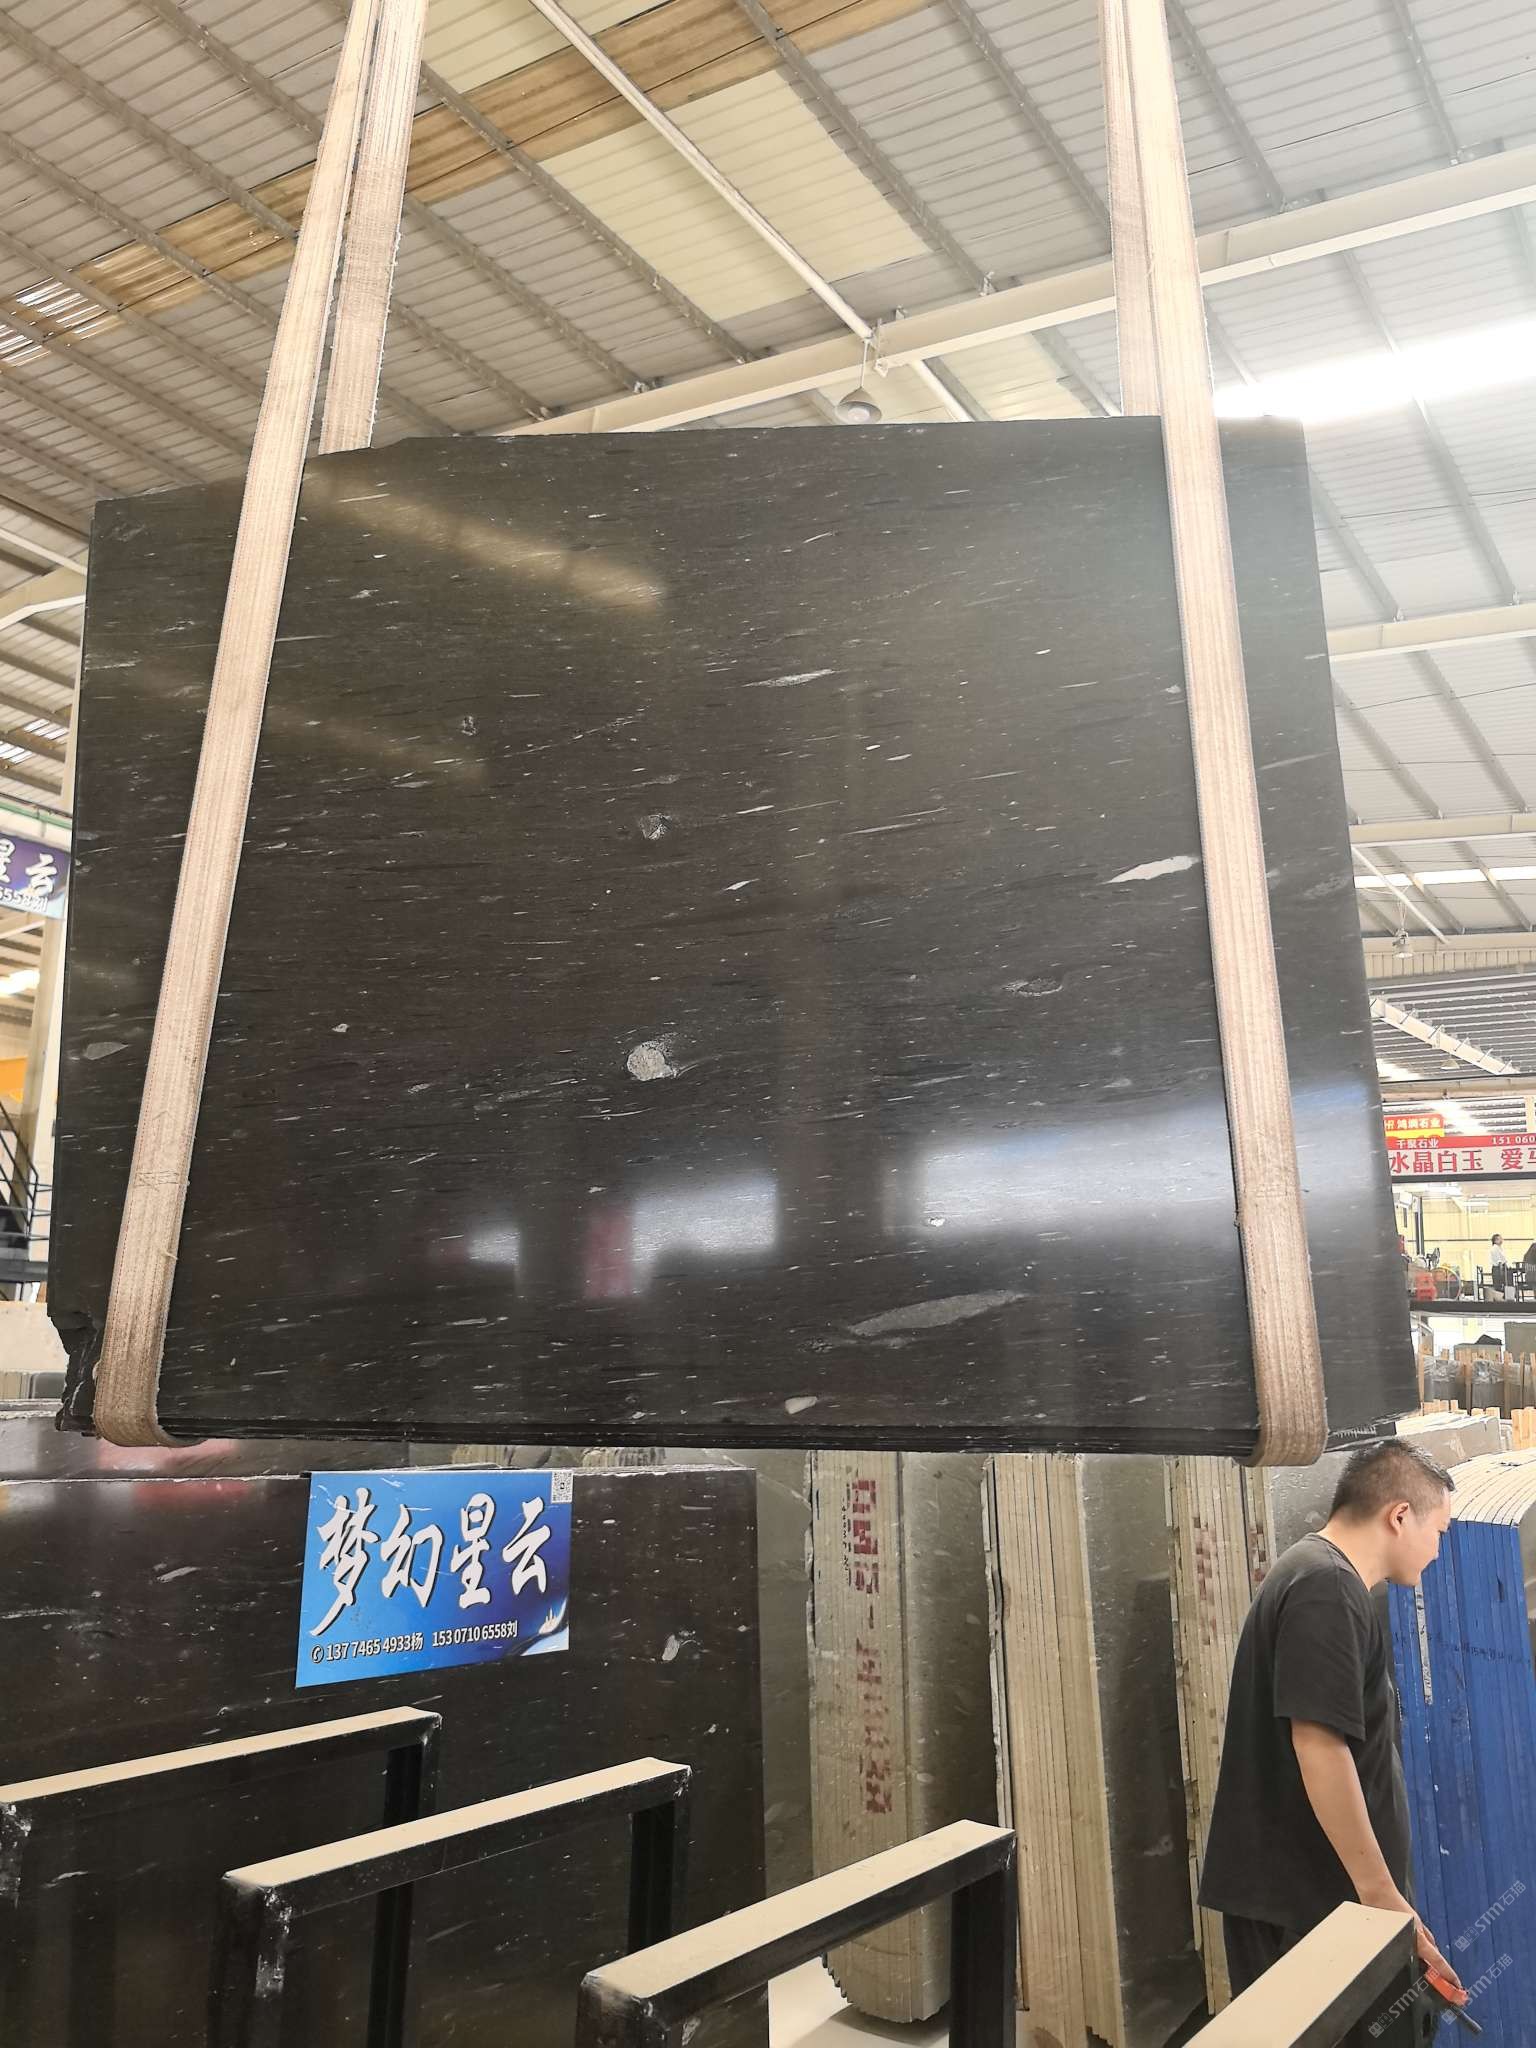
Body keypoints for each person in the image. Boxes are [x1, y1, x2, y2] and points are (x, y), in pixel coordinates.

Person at [1199, 1440, 1458, 2040]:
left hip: (1319, 1901)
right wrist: (1382, 1897)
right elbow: (1320, 1747)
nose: (1438, 1550)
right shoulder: (1326, 1587)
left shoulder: (1324, 1578)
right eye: (1439, 1532)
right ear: (1399, 1516)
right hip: (1306, 1909)